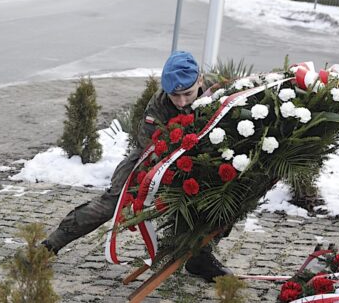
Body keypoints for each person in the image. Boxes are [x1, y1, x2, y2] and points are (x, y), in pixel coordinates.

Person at [42, 51, 232, 282]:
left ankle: (199, 257)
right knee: (111, 203)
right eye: (176, 96)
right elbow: (152, 147)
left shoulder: (220, 95)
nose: (182, 102)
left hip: (204, 162)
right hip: (154, 160)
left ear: (200, 81)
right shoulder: (159, 105)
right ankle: (51, 244)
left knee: (229, 199)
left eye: (188, 94)